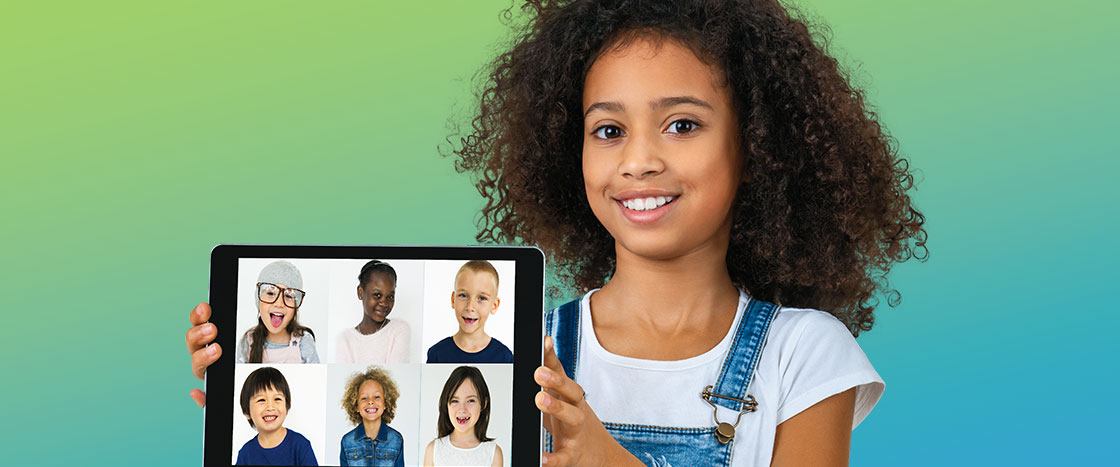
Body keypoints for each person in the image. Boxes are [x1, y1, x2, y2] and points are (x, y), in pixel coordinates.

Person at [188, 0, 928, 464]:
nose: (638, 159)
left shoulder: (805, 355)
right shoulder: (527, 355)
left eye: (682, 124)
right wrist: (250, 423)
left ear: (754, 145)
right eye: (608, 129)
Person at [425, 260, 512, 364]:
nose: (470, 307)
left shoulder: (504, 357)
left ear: (494, 305)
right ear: (453, 300)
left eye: (482, 298)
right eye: (463, 295)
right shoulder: (437, 353)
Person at [238, 260, 320, 364]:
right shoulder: (248, 342)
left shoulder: (304, 342)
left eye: (288, 296)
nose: (279, 303)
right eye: (271, 293)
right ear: (258, 299)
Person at [422, 366, 503, 467]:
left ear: (483, 404)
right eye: (455, 401)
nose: (462, 409)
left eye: (471, 400)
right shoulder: (433, 450)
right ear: (446, 404)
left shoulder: (493, 453)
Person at [237, 367, 318, 465]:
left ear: (287, 406)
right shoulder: (245, 453)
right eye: (261, 400)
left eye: (277, 399)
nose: (270, 407)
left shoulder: (300, 445)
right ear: (247, 412)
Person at [337, 260, 410, 363]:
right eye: (377, 295)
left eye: (390, 297)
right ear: (360, 292)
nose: (384, 303)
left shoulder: (399, 330)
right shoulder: (346, 339)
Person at [339, 366, 405, 467]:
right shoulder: (347, 441)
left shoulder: (396, 439)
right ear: (356, 405)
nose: (370, 401)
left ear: (385, 403)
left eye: (377, 397)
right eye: (364, 398)